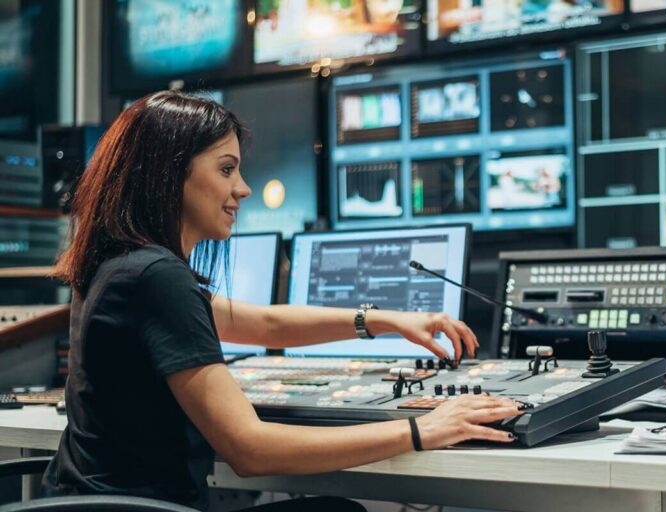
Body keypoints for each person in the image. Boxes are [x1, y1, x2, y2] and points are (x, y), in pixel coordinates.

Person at [41, 91, 522, 511]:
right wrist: (424, 430)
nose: (242, 188)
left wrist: (382, 320)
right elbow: (251, 450)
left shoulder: (119, 264)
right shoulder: (154, 276)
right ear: (169, 176)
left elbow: (266, 324)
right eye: (226, 169)